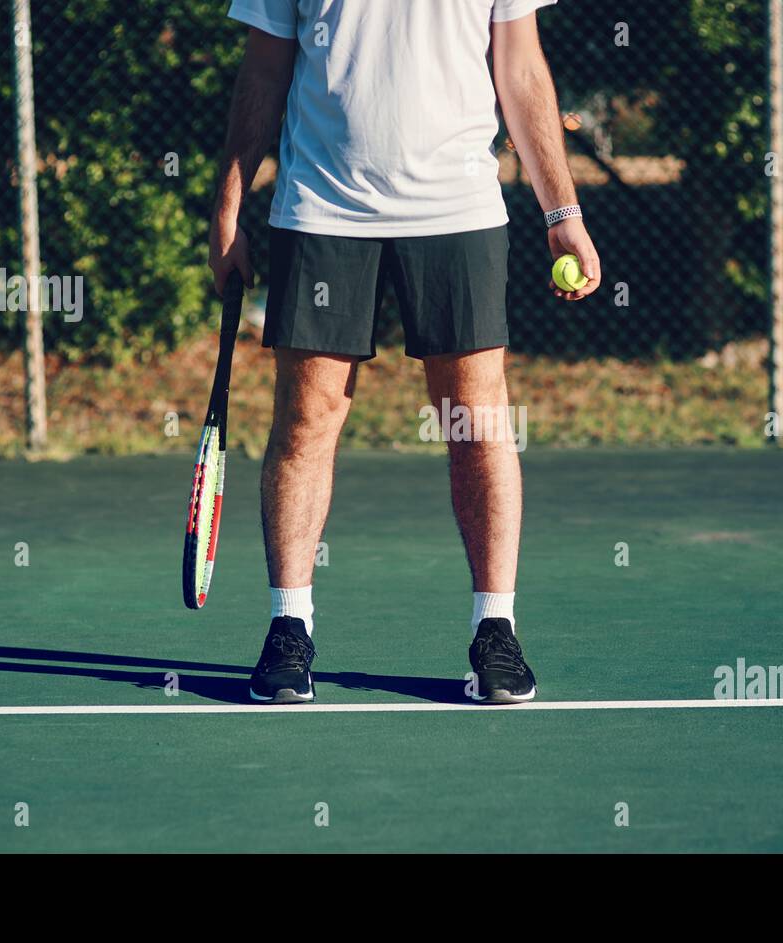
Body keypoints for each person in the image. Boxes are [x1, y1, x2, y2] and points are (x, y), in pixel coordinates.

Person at [209, 0, 601, 704]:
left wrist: (562, 211)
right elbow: (264, 71)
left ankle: (496, 630)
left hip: (459, 208)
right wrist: (230, 202)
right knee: (306, 421)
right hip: (320, 205)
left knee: (476, 422)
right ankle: (289, 626)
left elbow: (520, 68)